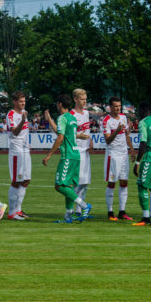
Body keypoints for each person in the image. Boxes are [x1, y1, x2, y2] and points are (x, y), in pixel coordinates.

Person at [42, 94, 92, 224]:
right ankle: (68, 216)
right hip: (76, 155)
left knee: (59, 186)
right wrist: (50, 120)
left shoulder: (62, 118)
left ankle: (84, 205)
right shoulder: (72, 118)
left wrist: (49, 155)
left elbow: (60, 137)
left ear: (59, 104)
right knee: (69, 186)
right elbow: (65, 133)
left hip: (68, 156)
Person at [102, 97, 135, 221]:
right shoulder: (106, 120)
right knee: (112, 183)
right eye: (115, 106)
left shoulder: (123, 117)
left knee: (124, 182)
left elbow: (126, 135)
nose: (118, 108)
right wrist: (116, 131)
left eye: (119, 106)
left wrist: (131, 149)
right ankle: (110, 213)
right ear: (110, 107)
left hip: (124, 154)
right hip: (113, 155)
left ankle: (122, 211)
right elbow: (107, 140)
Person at [5, 91, 32, 220]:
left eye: (24, 101)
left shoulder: (24, 113)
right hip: (16, 151)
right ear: (14, 101)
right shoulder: (11, 115)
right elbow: (15, 132)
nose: (23, 104)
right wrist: (22, 120)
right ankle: (11, 212)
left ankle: (18, 210)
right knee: (16, 181)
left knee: (26, 180)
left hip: (25, 150)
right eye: (21, 101)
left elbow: (25, 132)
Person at [70, 89, 93, 203]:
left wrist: (90, 140)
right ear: (75, 99)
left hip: (86, 151)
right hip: (77, 152)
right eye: (82, 99)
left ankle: (80, 210)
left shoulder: (86, 113)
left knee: (85, 183)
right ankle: (75, 210)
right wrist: (78, 136)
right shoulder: (72, 115)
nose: (84, 101)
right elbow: (68, 135)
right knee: (77, 183)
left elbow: (87, 129)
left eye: (85, 99)